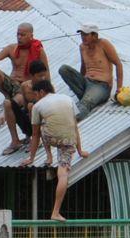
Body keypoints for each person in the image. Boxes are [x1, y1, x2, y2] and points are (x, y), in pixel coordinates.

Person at [20, 80, 89, 222]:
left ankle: (49, 156)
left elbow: (35, 135)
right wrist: (80, 151)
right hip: (68, 141)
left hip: (50, 138)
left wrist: (31, 158)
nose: (35, 97)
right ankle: (56, 212)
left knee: (43, 125)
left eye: (35, 94)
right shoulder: (68, 99)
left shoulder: (37, 106)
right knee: (62, 175)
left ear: (41, 92)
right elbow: (74, 126)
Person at [0, 22, 50, 127]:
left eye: (23, 35)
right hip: (11, 83)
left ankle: (4, 115)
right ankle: (8, 96)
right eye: (18, 34)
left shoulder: (38, 50)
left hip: (26, 86)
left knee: (21, 93)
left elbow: (46, 72)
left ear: (31, 36)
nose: (19, 37)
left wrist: (49, 93)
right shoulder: (11, 48)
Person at [59, 23, 123, 121]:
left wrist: (119, 88)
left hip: (101, 85)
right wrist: (78, 81)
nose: (83, 37)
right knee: (63, 69)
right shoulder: (82, 47)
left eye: (86, 35)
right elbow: (83, 66)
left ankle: (68, 120)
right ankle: (84, 99)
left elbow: (118, 64)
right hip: (86, 82)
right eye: (81, 35)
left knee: (86, 103)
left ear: (94, 36)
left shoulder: (103, 44)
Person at [2, 60, 49, 155]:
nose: (42, 78)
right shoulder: (25, 86)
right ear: (32, 76)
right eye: (40, 76)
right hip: (30, 122)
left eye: (44, 75)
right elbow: (24, 105)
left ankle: (37, 139)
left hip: (43, 122)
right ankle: (16, 141)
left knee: (31, 106)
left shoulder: (46, 87)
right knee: (7, 103)